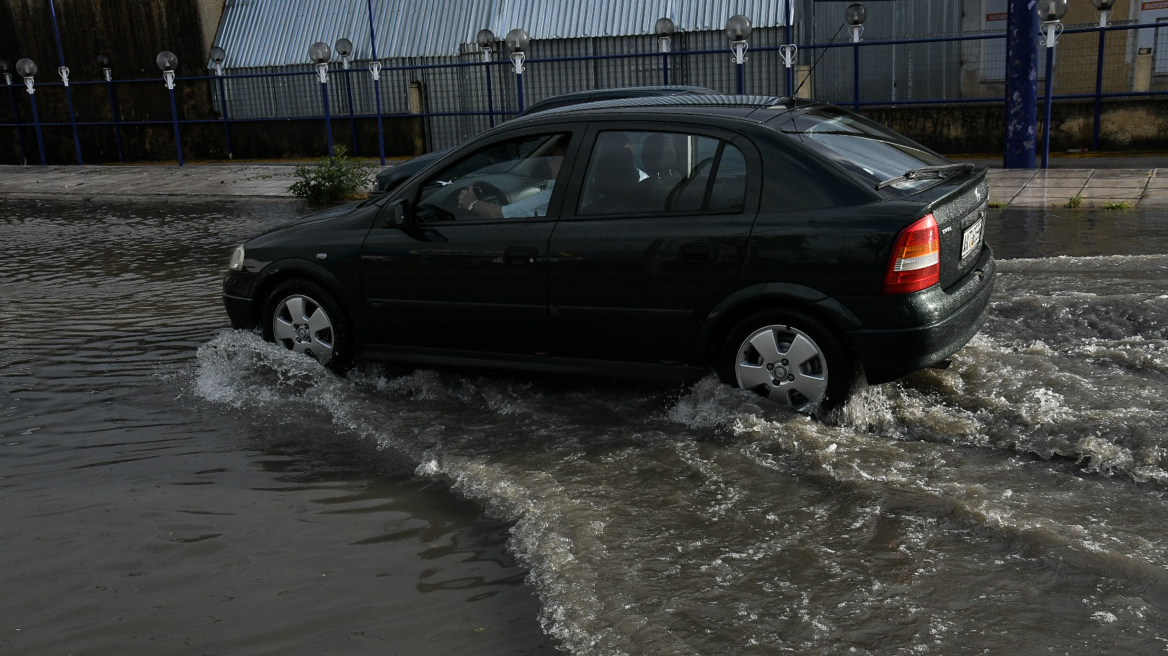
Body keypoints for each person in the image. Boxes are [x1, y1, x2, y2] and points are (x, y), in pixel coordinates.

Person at [456, 140, 566, 219]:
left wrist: (472, 204)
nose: (550, 163)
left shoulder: (554, 196)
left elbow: (500, 214)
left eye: (553, 158)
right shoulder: (566, 191)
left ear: (567, 162)